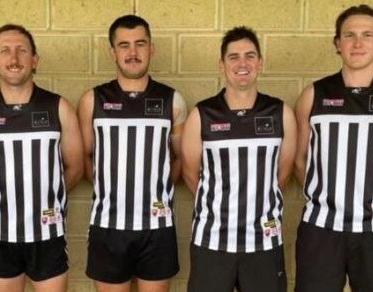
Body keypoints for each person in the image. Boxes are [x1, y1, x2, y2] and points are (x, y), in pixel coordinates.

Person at [0, 24, 83, 292]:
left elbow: (75, 168)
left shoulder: (58, 107)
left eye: (22, 51)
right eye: (5, 51)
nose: (14, 59)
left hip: (47, 234)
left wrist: (46, 198)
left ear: (34, 59)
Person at [181, 26, 297, 292]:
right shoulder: (202, 115)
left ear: (260, 62)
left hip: (264, 243)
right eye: (233, 57)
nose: (242, 63)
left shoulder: (281, 113)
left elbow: (283, 173)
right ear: (221, 65)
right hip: (212, 241)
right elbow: (191, 175)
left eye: (249, 55)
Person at [77, 14, 187, 292]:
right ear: (112, 51)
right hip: (108, 226)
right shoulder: (93, 100)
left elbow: (179, 159)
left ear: (151, 48)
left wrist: (156, 190)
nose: (133, 52)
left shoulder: (172, 100)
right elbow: (86, 159)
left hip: (157, 228)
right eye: (124, 45)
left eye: (140, 43)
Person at [294, 4, 373, 292]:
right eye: (349, 35)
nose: (358, 42)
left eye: (368, 34)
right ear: (337, 43)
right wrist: (329, 198)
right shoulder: (314, 94)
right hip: (322, 229)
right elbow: (301, 161)